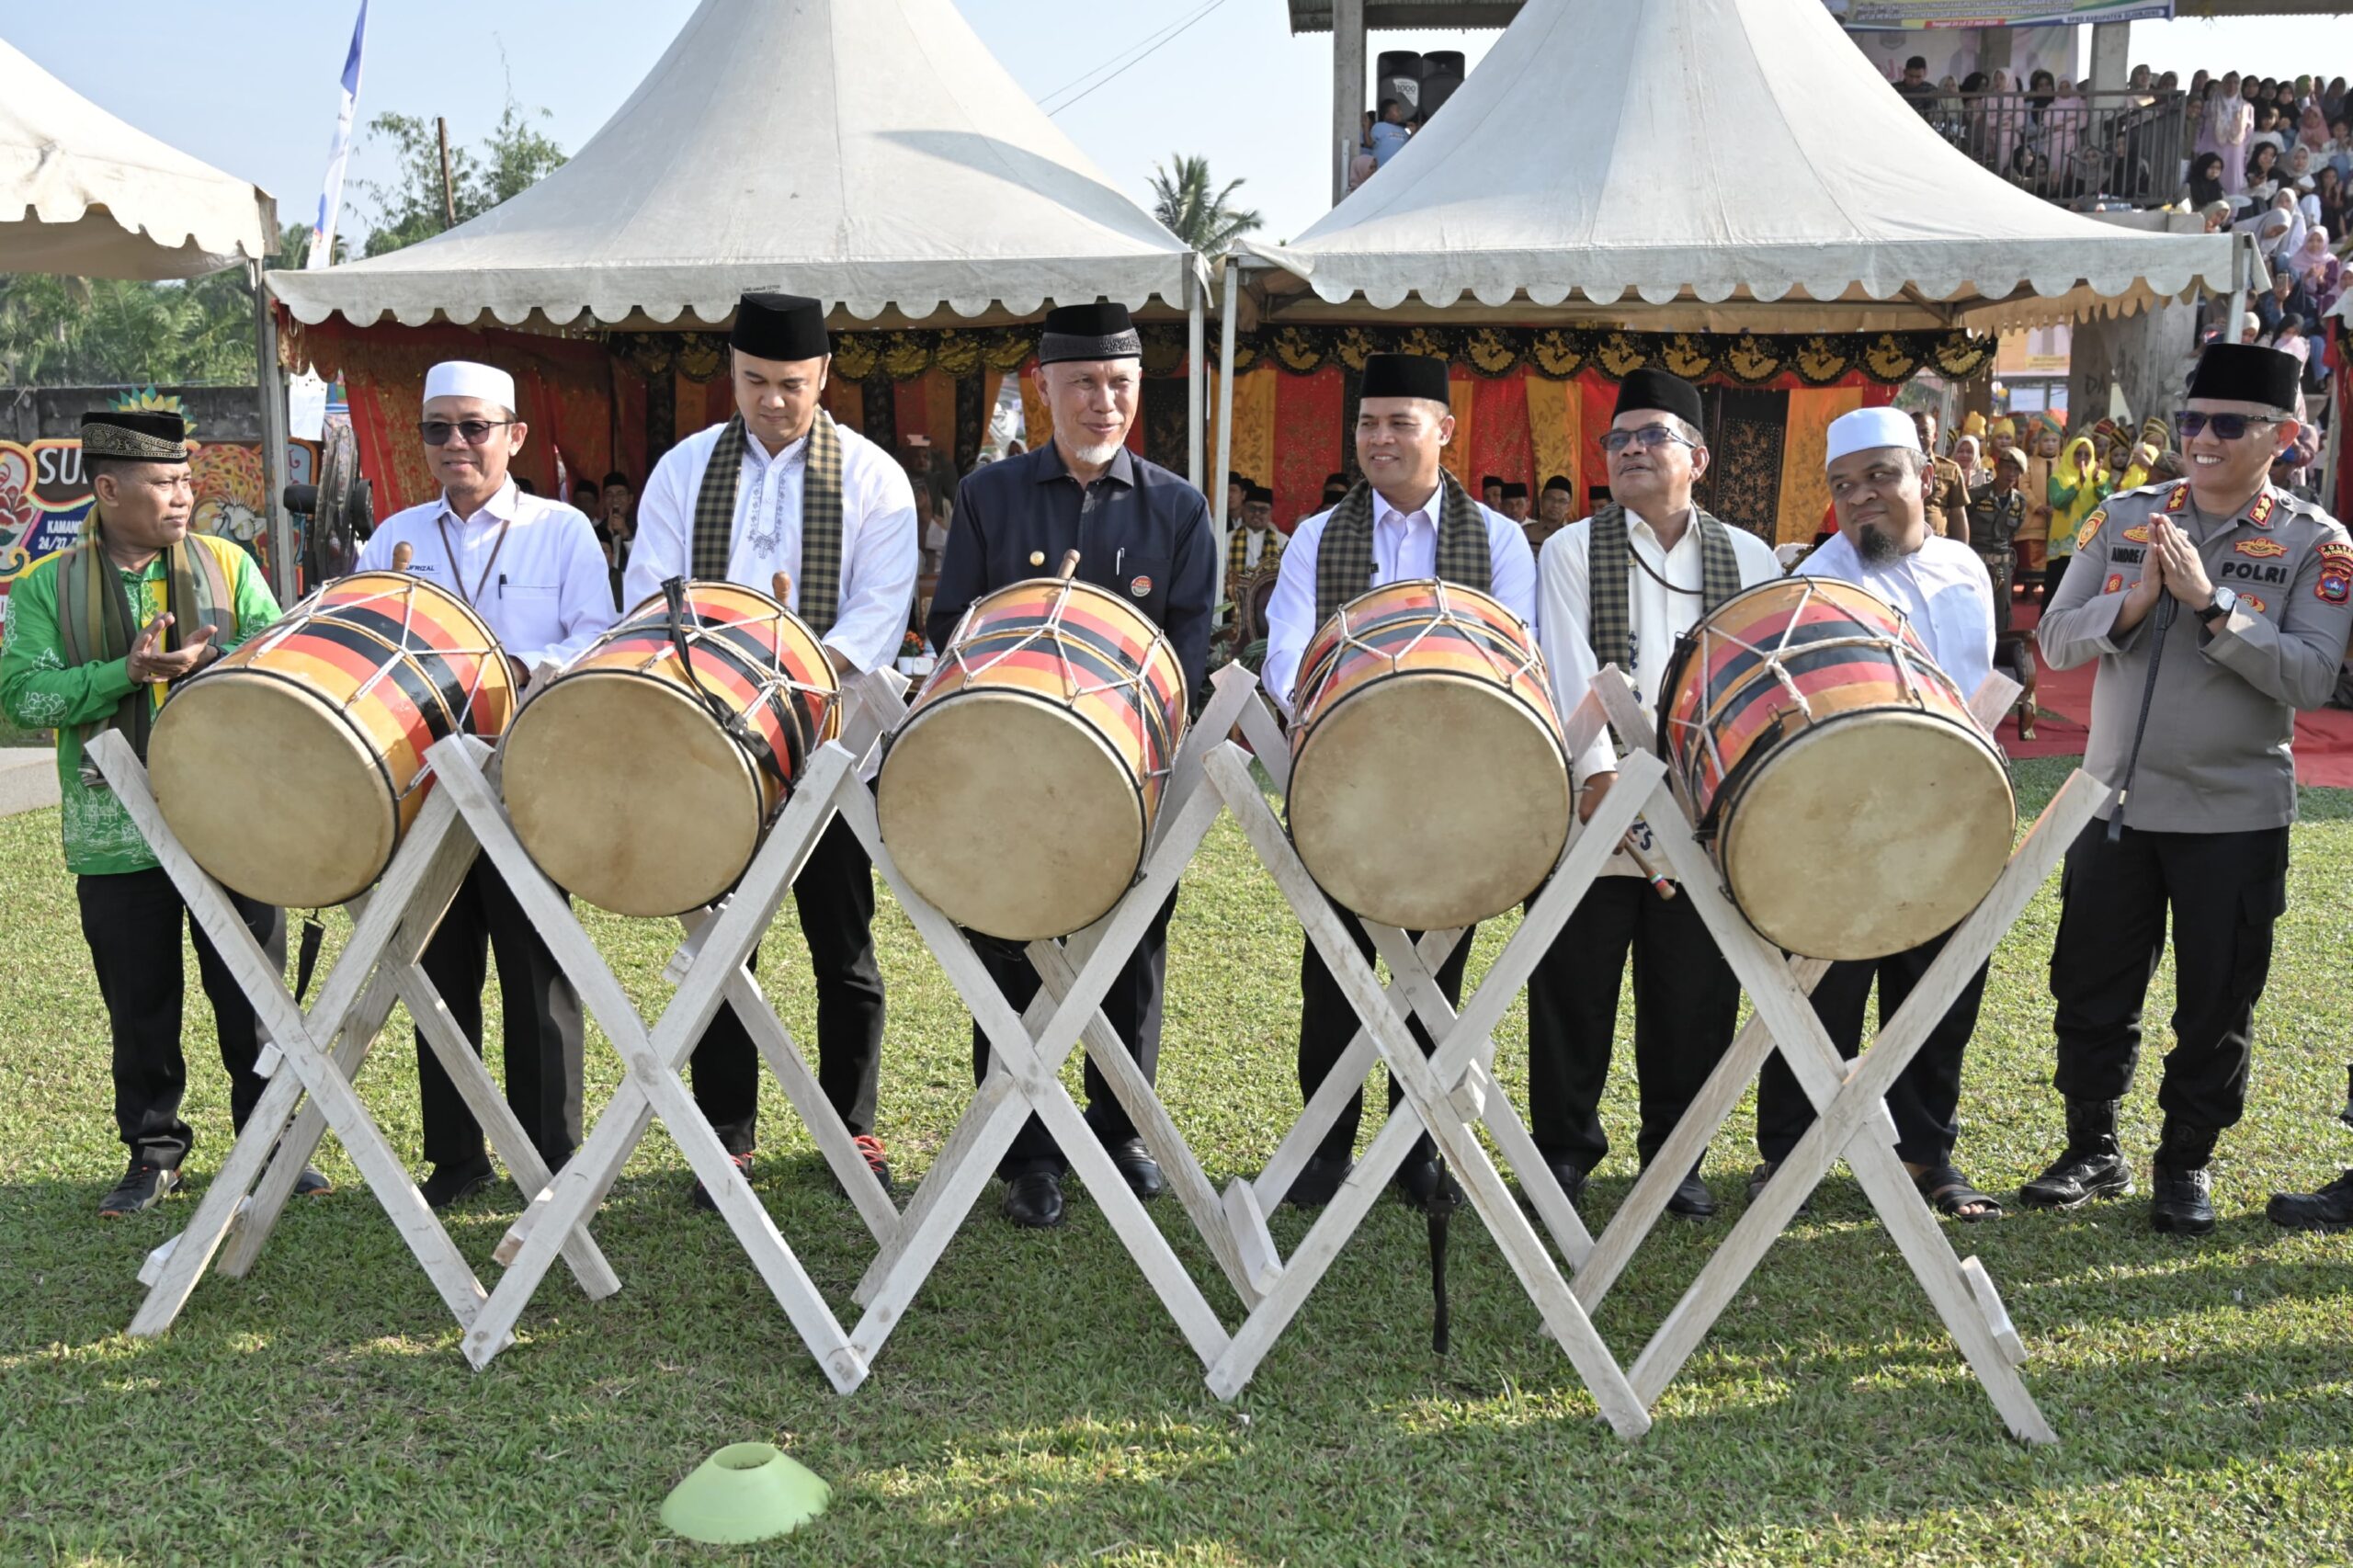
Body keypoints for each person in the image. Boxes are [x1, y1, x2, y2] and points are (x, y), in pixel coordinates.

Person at [2028, 343, 2353, 1234]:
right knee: (2089, 984)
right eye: (2192, 419)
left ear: (2282, 436)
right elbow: (2055, 639)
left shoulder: (2312, 542)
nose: (2201, 439)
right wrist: (2130, 606)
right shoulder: (2125, 515)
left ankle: (2185, 1162)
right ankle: (2090, 1145)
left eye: (2227, 424)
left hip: (2232, 815)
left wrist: (2213, 605)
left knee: (2215, 1000)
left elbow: (2311, 677)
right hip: (2112, 804)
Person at [630, 292, 919, 1206]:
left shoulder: (874, 478)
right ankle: (727, 1131)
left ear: (824, 377)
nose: (774, 402)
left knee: (843, 939)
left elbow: (880, 611)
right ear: (733, 374)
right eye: (756, 382)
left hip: (830, 741)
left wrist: (790, 679)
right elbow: (652, 591)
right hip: (715, 744)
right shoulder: (683, 471)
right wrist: (727, 690)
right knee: (723, 939)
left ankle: (852, 1124)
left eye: (792, 385)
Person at [931, 301, 1214, 1229]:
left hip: (1133, 775)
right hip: (1010, 777)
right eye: (1085, 383)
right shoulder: (990, 496)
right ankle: (1024, 1150)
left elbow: (1187, 648)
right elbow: (953, 628)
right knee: (1010, 942)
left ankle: (1118, 1128)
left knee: (1131, 951)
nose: (1103, 401)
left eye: (1120, 384)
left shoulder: (1178, 505)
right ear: (1044, 386)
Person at [0, 410, 322, 1217]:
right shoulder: (45, 588)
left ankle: (271, 1142)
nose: (183, 497)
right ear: (108, 490)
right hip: (117, 828)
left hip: (231, 816)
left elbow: (279, 661)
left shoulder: (227, 564)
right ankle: (153, 1151)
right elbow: (19, 693)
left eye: (186, 481)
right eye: (164, 483)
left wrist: (218, 666)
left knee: (251, 990)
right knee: (139, 1000)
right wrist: (125, 670)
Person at [1261, 352, 1535, 1211]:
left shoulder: (1495, 538)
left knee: (1438, 966)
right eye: (1368, 424)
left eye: (1399, 423)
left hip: (1454, 786)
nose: (1379, 439)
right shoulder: (1317, 535)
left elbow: (1514, 650)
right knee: (1334, 965)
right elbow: (1283, 653)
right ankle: (1325, 1143)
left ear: (1444, 433)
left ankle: (1422, 1145)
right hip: (1345, 782)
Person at [1524, 369, 1783, 1220]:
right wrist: (1599, 774)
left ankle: (1678, 1157)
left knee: (1694, 993)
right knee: (1573, 985)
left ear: (1697, 458)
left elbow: (1750, 683)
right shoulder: (1570, 549)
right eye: (1618, 439)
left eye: (1652, 436)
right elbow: (1567, 660)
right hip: (1594, 807)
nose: (1632, 450)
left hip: (1701, 813)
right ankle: (1564, 1151)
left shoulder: (1747, 556)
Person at [359, 362, 616, 1207]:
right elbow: (360, 646)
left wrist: (519, 670)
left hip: (528, 776)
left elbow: (597, 638)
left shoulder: (562, 530)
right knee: (442, 972)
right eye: (438, 429)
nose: (456, 444)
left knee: (537, 971)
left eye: (475, 427)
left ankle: (552, 1162)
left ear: (514, 436)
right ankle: (458, 1157)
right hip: (427, 784)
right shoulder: (394, 534)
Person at [1753, 409, 2006, 1218]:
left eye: (1880, 477)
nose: (1860, 498)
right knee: (1822, 989)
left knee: (1938, 989)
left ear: (1927, 479)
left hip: (1954, 815)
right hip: (1843, 824)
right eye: (1843, 485)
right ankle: (1789, 1153)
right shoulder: (1815, 584)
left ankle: (1928, 1153)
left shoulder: (1968, 568)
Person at [1974, 446, 2028, 633]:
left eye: (2016, 470)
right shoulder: (1976, 495)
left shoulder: (2019, 502)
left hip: (2002, 566)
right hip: (1976, 562)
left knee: (2001, 613)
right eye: (2008, 467)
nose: (2011, 474)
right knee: (1972, 609)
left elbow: (2012, 533)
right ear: (1998, 467)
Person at [1913, 409, 1972, 545]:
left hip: (1938, 543)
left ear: (1935, 436)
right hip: (1904, 545)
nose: (1919, 436)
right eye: (1914, 432)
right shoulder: (1896, 468)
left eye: (1924, 432)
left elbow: (1958, 515)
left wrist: (1962, 553)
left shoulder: (1950, 469)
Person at [1226, 483, 1284, 584]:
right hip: (1234, 598)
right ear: (1243, 509)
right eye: (1252, 508)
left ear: (1271, 512)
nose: (1257, 513)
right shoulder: (1227, 539)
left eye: (1263, 510)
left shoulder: (1282, 541)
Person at [598, 469, 634, 608]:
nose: (615, 500)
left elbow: (643, 561)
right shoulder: (595, 530)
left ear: (630, 498)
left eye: (620, 494)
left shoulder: (641, 526)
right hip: (605, 596)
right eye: (609, 494)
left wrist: (625, 533)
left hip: (632, 596)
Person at [1526, 473, 1575, 552]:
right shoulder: (1526, 533)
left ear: (1569, 507)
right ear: (1541, 500)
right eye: (1550, 499)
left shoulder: (1574, 534)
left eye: (1562, 501)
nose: (1555, 505)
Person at [1370, 97, 1410, 168]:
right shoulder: (1379, 126)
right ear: (1387, 115)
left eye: (1400, 110)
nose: (1401, 113)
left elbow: (1410, 148)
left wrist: (1413, 133)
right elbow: (1369, 144)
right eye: (1397, 110)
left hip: (1399, 168)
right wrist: (1366, 127)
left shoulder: (1404, 131)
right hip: (1381, 169)